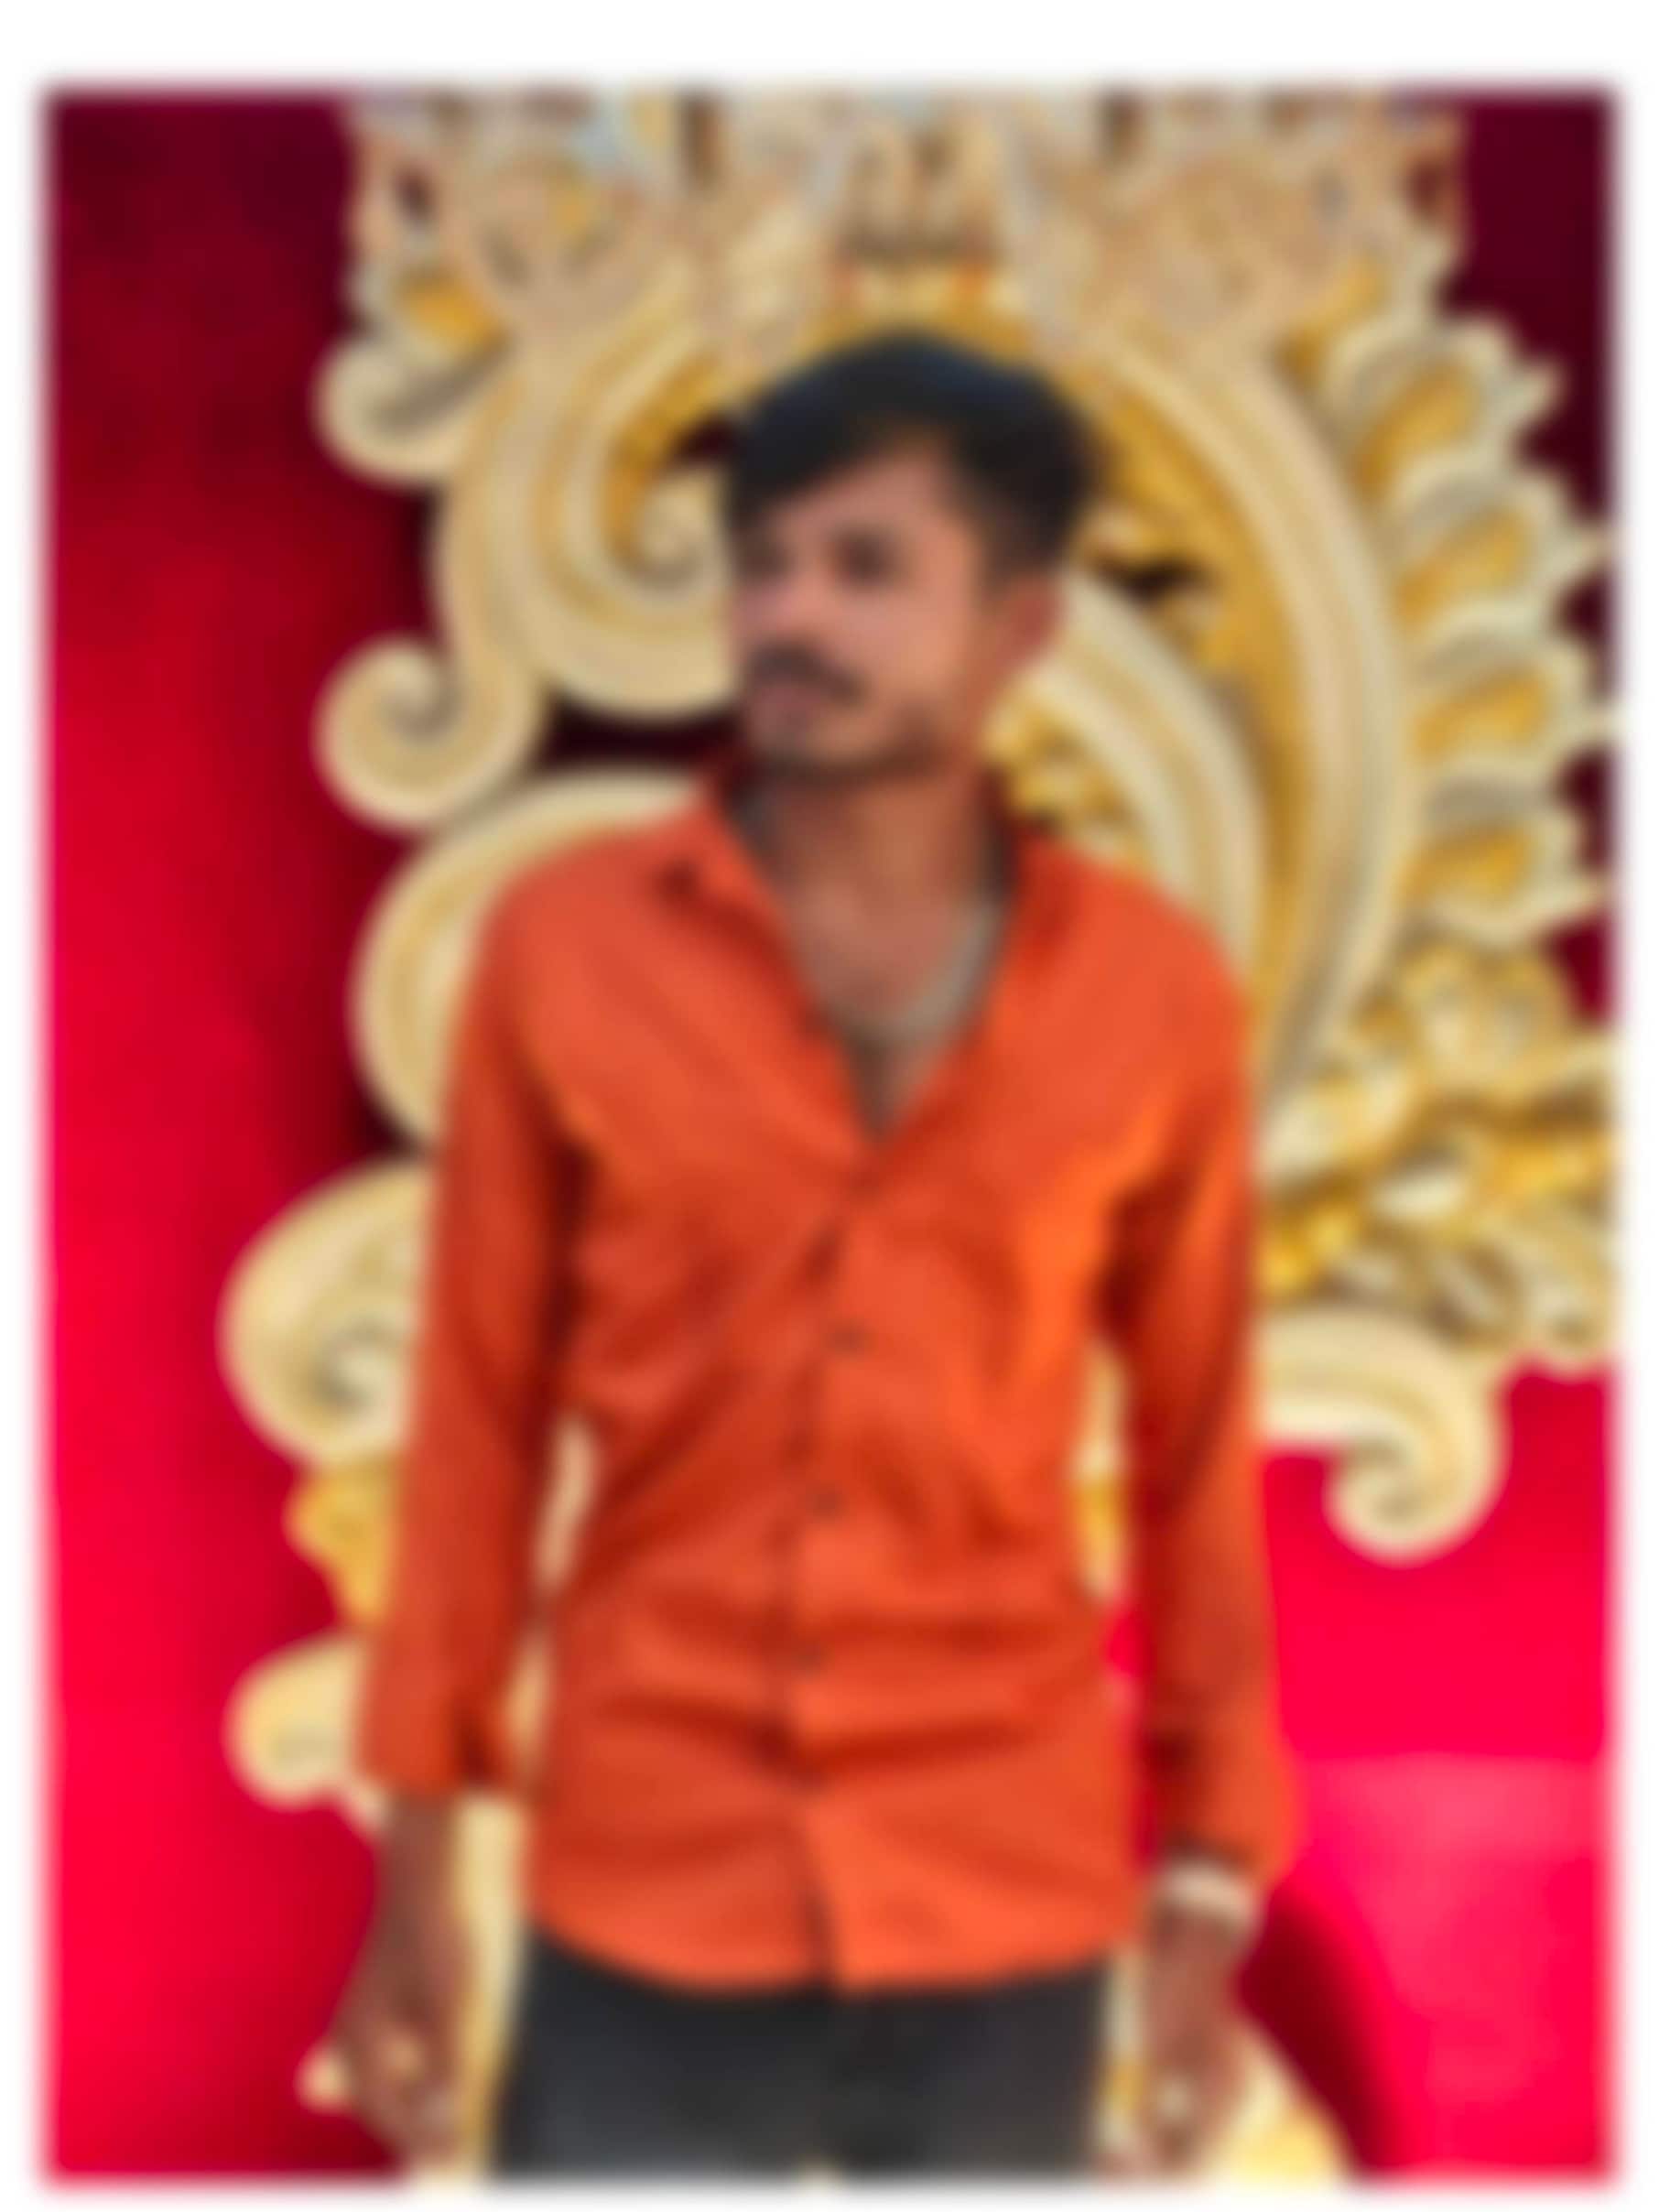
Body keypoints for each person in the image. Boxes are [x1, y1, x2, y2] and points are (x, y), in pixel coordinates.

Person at [326, 330, 1304, 2177]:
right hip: (645, 1890)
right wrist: (416, 1867)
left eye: (865, 568)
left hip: (1002, 1888)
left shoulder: (1148, 995)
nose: (790, 617)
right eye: (764, 564)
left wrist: (1208, 1878)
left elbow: (1197, 1449)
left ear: (1019, 626)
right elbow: (474, 1418)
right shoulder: (567, 952)